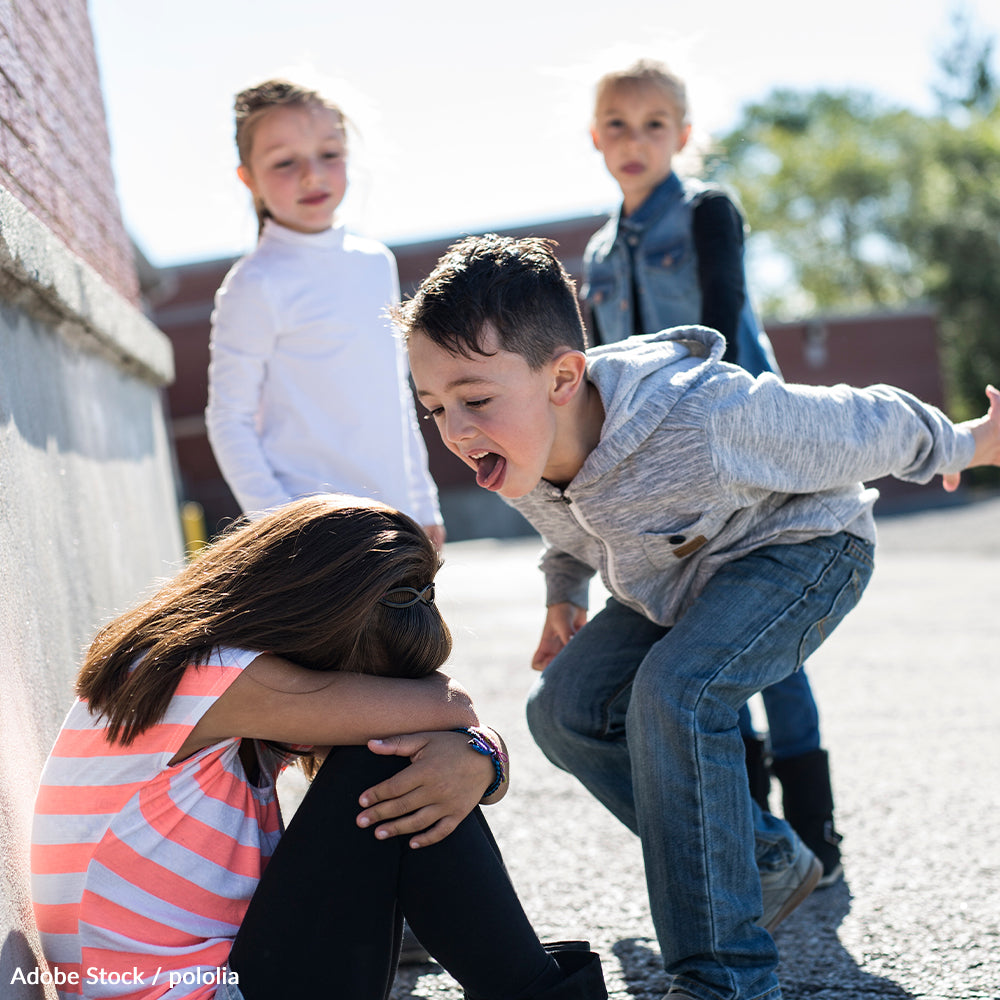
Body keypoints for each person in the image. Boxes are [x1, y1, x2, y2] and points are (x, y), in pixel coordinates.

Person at [398, 234, 1000, 1000]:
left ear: (563, 378)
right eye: (434, 408)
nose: (454, 429)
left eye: (475, 399)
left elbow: (858, 421)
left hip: (805, 549)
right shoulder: (519, 448)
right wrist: (563, 594)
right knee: (562, 710)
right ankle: (762, 860)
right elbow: (570, 530)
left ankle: (727, 979)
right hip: (678, 579)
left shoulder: (702, 417)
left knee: (676, 694)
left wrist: (965, 442)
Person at [30, 495, 607, 1000]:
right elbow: (451, 709)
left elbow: (454, 725)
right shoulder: (205, 675)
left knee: (404, 759)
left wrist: (480, 756)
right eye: (362, 681)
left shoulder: (207, 680)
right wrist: (475, 747)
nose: (364, 697)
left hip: (224, 979)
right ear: (314, 624)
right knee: (384, 759)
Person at [582, 57, 839, 884]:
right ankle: (759, 837)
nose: (635, 140)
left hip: (747, 451)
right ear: (595, 138)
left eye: (654, 124)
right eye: (618, 125)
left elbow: (724, 317)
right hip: (662, 475)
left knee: (772, 646)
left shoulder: (706, 212)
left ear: (684, 135)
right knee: (705, 642)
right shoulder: (597, 251)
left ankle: (816, 830)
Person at [206, 79, 444, 548]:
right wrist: (282, 527)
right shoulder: (255, 283)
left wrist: (423, 503)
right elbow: (229, 419)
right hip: (315, 537)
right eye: (284, 162)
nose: (312, 175)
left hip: (396, 522)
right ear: (248, 178)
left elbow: (395, 394)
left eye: (329, 154)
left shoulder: (375, 262)